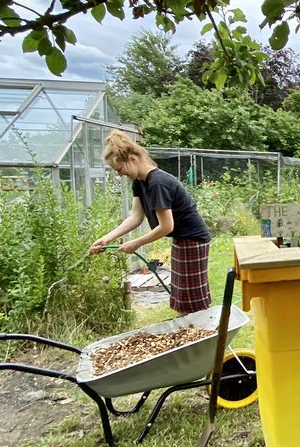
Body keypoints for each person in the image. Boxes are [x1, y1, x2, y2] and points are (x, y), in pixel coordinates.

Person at [89, 131, 212, 315]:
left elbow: (166, 226)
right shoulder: (139, 182)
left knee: (192, 298)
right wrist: (106, 238)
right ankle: (190, 325)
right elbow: (135, 217)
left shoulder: (158, 183)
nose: (120, 174)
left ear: (133, 159)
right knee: (182, 295)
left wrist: (136, 243)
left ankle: (203, 326)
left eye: (119, 169)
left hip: (193, 240)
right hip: (182, 239)